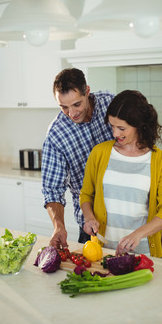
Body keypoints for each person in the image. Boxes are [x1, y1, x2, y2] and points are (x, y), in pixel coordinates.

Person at [80, 89, 162, 258]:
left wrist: (137, 234)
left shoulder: (160, 160)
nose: (115, 133)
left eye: (121, 128)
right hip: (103, 252)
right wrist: (89, 218)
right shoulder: (99, 153)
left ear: (139, 125)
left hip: (143, 254)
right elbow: (86, 194)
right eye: (112, 126)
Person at [41, 68, 115, 249]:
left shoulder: (111, 104)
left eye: (76, 104)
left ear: (87, 91)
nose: (71, 113)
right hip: (91, 226)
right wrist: (59, 226)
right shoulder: (56, 134)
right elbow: (52, 190)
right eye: (63, 107)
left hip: (127, 219)